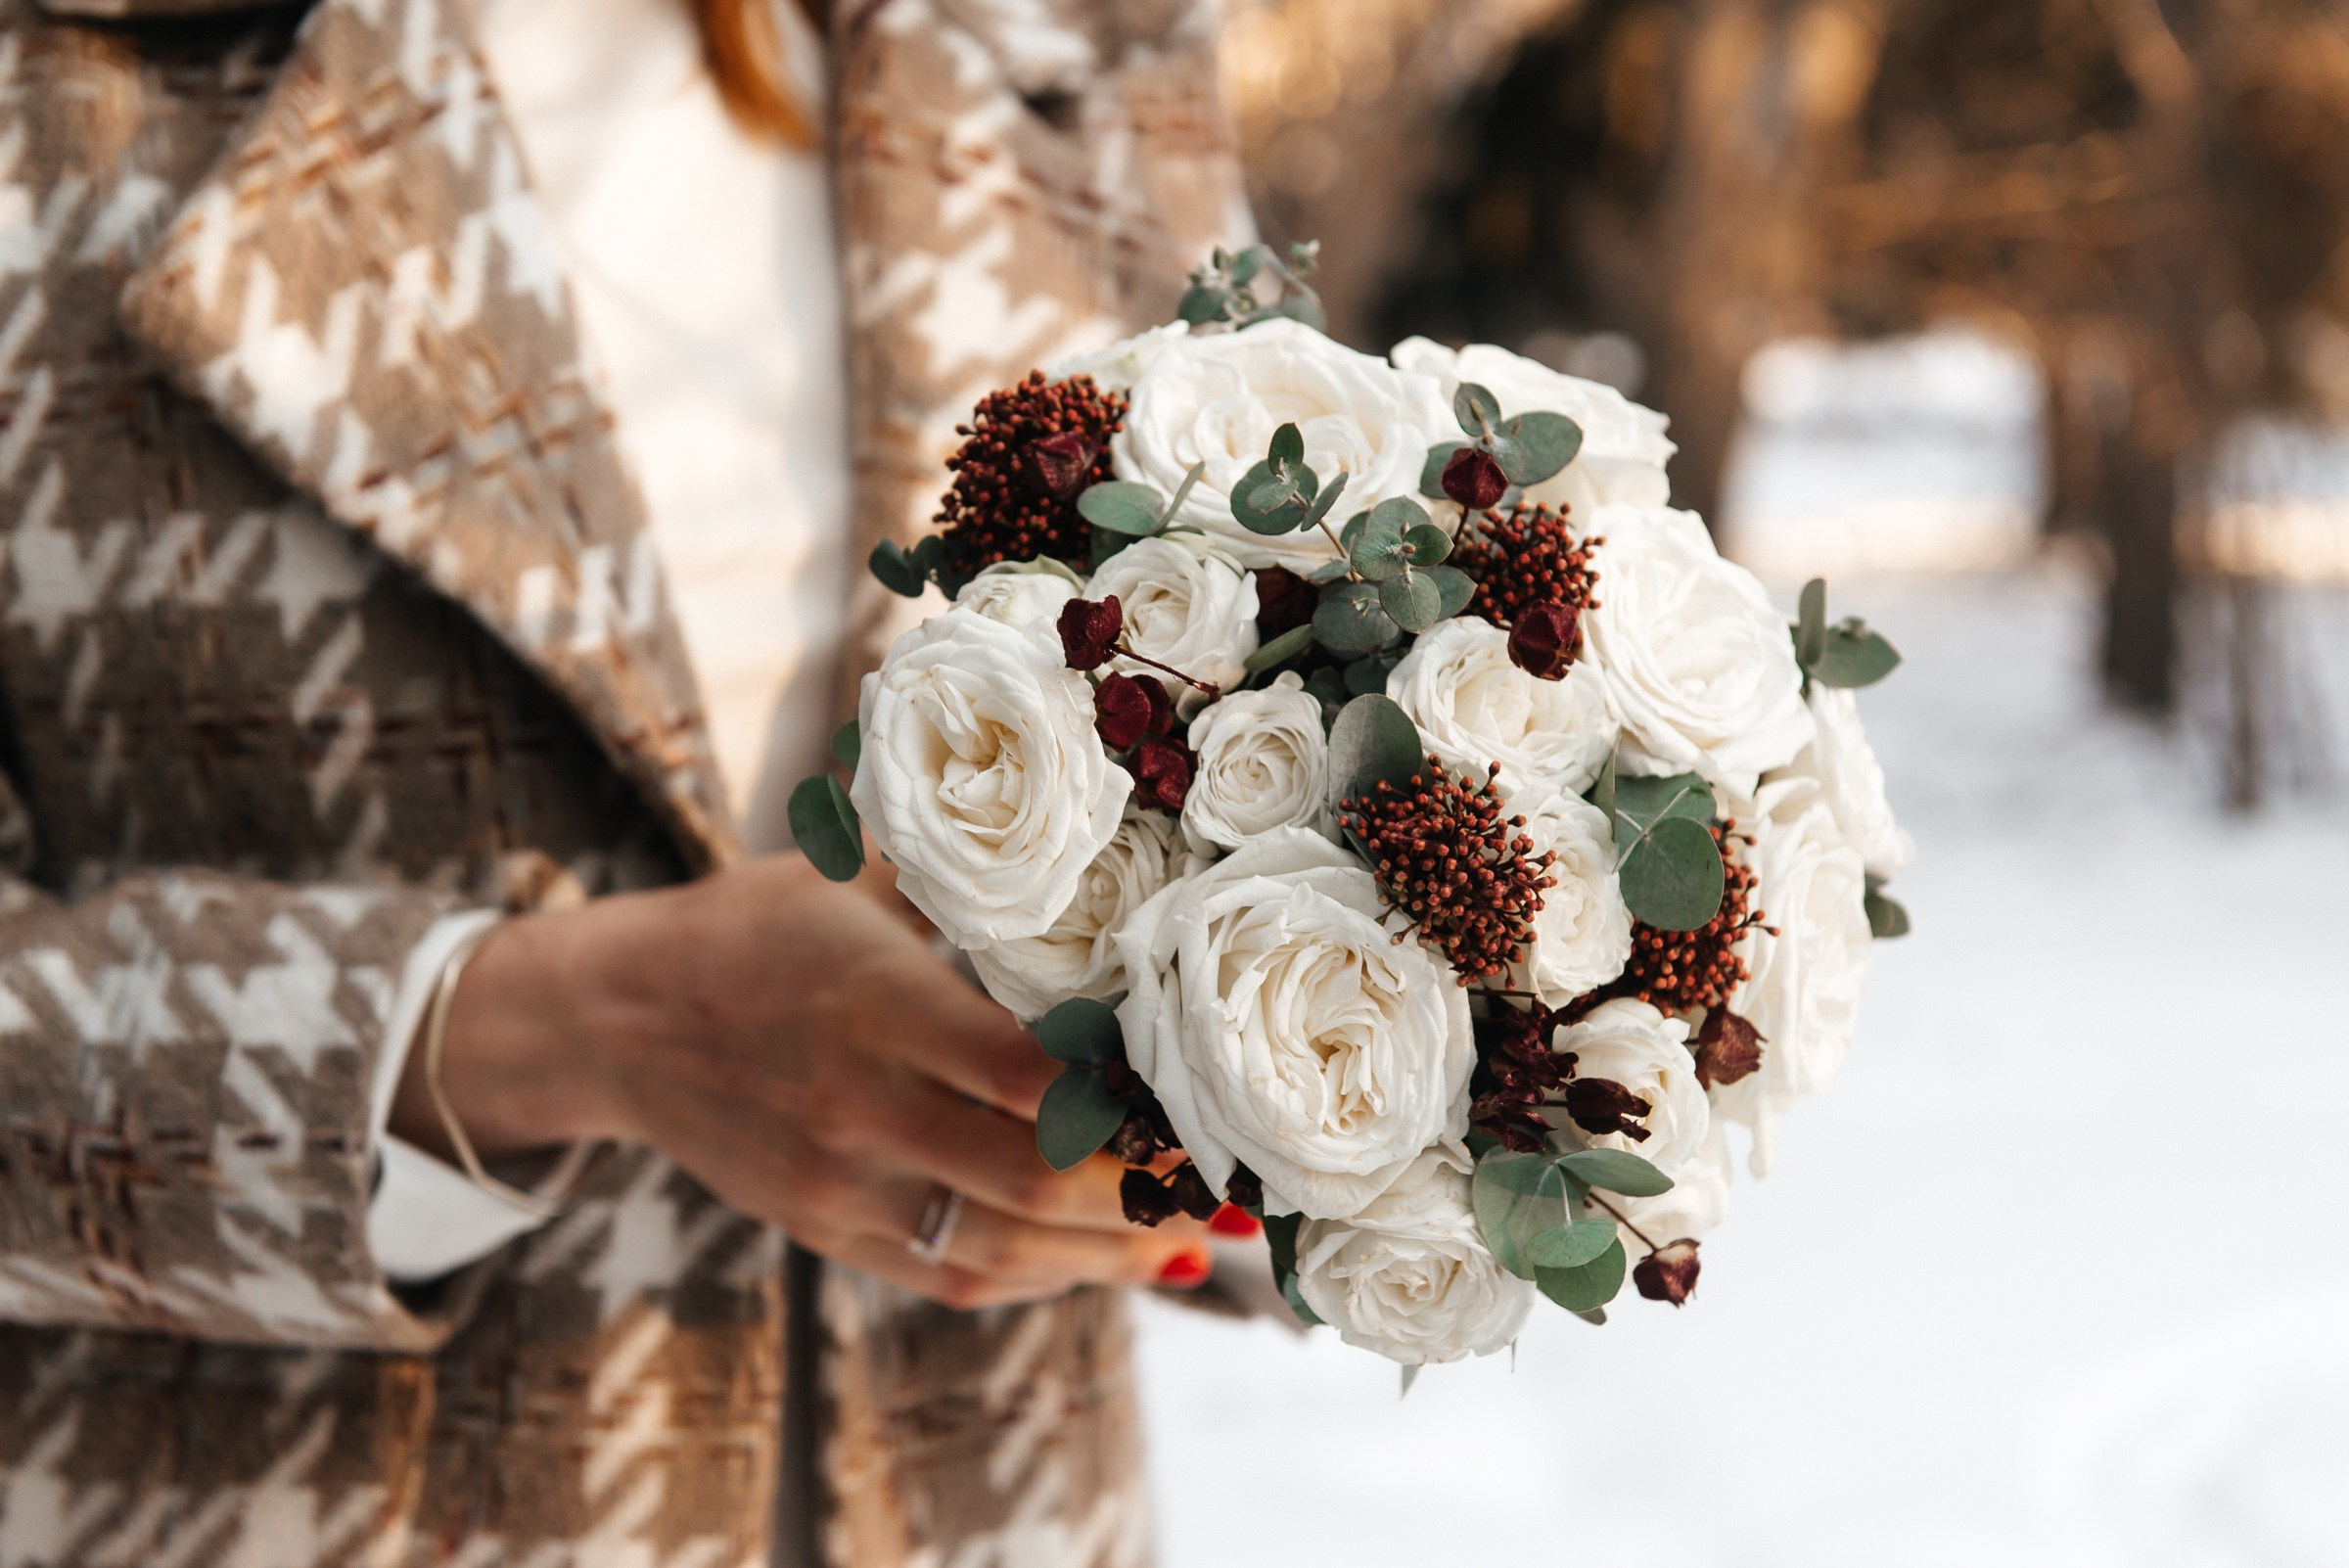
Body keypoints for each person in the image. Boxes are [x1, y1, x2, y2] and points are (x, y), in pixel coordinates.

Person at [0, 0, 1247, 1560]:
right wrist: (560, 1028)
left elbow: (1263, 711)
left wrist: (1313, 1097)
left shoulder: (1054, 46)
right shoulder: (55, 93)